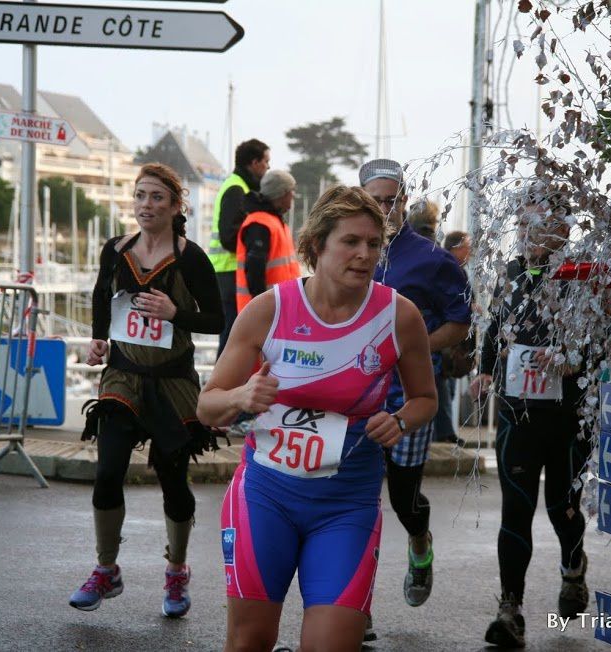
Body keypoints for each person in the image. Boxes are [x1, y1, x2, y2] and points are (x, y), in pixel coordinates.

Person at [197, 186, 437, 652]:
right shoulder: (271, 309)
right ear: (317, 245)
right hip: (265, 496)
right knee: (250, 641)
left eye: (374, 244)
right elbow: (208, 406)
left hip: (346, 505)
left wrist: (402, 420)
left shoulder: (398, 316)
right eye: (351, 241)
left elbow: (425, 398)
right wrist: (244, 394)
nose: (364, 254)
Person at [70, 163, 224, 618]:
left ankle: (176, 571)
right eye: (140, 196)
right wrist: (99, 339)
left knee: (173, 482)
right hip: (122, 376)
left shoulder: (190, 256)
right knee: (108, 470)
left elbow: (216, 321)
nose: (146, 205)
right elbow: (103, 298)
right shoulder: (116, 250)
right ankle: (106, 569)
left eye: (157, 197)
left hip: (173, 381)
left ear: (176, 205)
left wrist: (176, 312)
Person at [469, 188, 590, 648]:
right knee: (515, 511)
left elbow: (609, 341)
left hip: (569, 417)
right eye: (521, 227)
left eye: (536, 227)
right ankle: (510, 609)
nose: (526, 236)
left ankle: (573, 567)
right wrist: (484, 371)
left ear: (564, 229)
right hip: (518, 415)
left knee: (562, 506)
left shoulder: (583, 275)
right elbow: (495, 328)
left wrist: (572, 360)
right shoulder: (514, 273)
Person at [360, 159, 472, 617]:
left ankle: (420, 541)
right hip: (355, 399)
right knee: (357, 507)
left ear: (405, 202)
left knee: (404, 499)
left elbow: (461, 324)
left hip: (410, 396)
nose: (385, 210)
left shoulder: (433, 260)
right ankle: (356, 609)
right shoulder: (349, 250)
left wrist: (414, 348)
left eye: (392, 201)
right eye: (375, 201)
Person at [210, 138, 271, 356]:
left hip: (229, 272)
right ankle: (221, 385)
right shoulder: (237, 188)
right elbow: (228, 235)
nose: (268, 167)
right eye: (266, 161)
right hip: (228, 273)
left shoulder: (240, 186)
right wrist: (255, 245)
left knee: (234, 334)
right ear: (254, 163)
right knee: (231, 336)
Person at [235, 169, 301, 312]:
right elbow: (255, 272)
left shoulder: (272, 221)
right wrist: (261, 310)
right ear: (282, 194)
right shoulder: (260, 224)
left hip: (277, 307)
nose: (293, 196)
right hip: (264, 312)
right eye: (291, 191)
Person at [434, 230, 475, 444]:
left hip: (451, 341)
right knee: (442, 384)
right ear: (455, 248)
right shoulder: (448, 269)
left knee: (446, 385)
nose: (470, 252)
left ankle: (444, 430)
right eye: (467, 247)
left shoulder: (458, 270)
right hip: (444, 339)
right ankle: (444, 432)